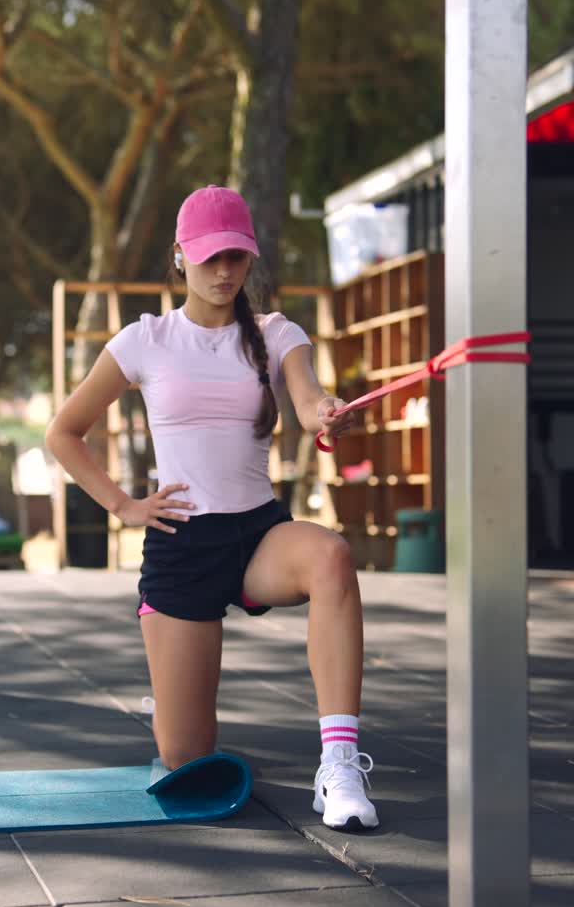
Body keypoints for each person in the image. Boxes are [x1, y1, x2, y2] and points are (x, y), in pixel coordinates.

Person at [45, 185, 378, 831]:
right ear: (180, 258)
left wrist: (326, 415)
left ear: (250, 258)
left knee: (331, 557)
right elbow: (64, 431)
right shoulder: (145, 339)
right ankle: (172, 700)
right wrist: (123, 505)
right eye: (209, 259)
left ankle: (338, 762)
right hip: (181, 545)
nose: (224, 272)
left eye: (236, 257)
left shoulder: (278, 334)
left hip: (257, 537)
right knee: (187, 758)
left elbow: (309, 399)